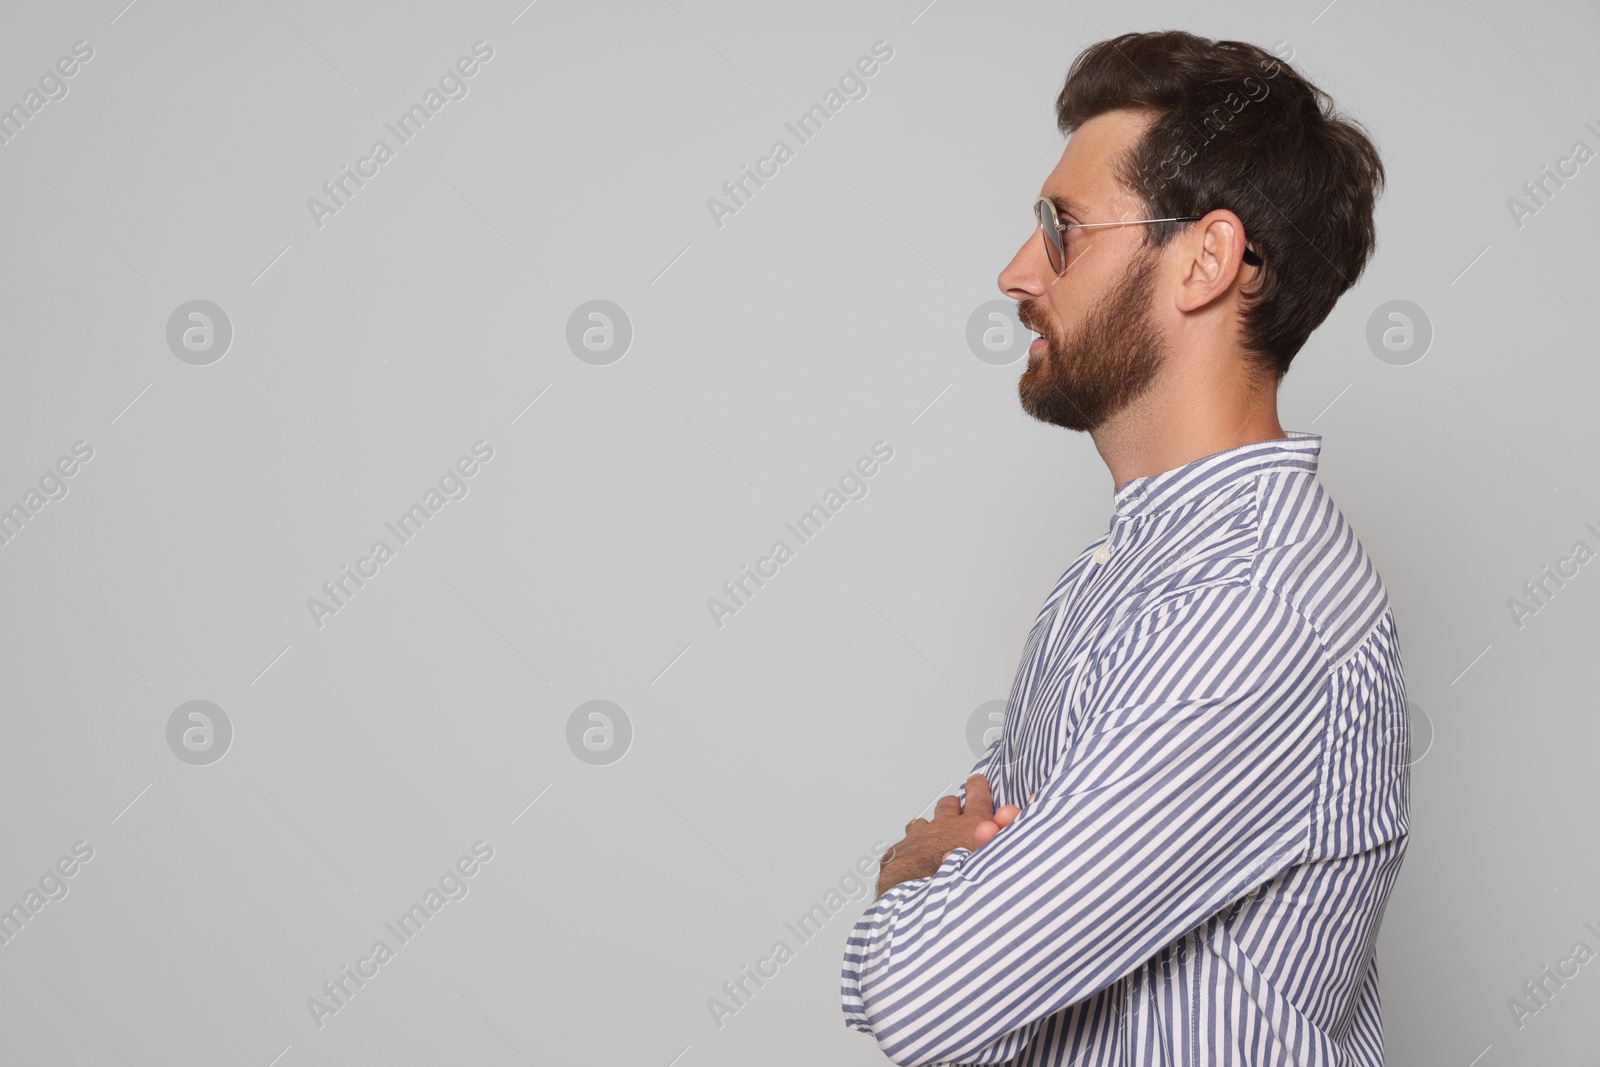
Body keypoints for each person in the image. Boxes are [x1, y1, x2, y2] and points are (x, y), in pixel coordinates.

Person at [841, 29, 1407, 1066]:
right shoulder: (1134, 576)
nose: (1017, 273)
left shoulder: (1246, 609)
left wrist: (904, 878)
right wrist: (962, 887)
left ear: (1205, 259)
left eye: (1063, 229)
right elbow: (995, 916)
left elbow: (933, 997)